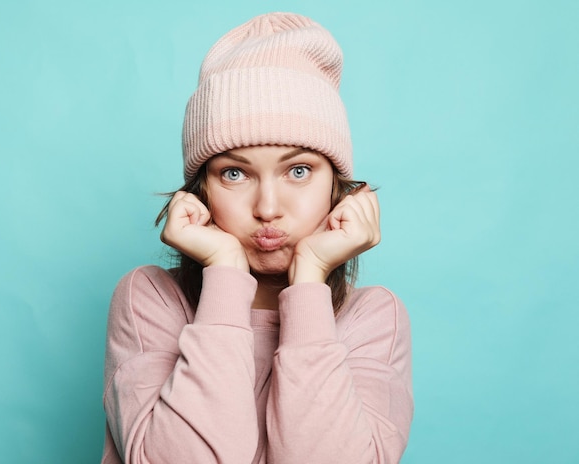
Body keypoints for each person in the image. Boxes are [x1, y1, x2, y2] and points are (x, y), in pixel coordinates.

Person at [101, 12, 413, 464]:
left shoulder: (374, 319)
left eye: (299, 170)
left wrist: (308, 284)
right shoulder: (150, 299)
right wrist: (225, 273)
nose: (268, 207)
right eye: (234, 173)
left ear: (337, 188)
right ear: (201, 191)